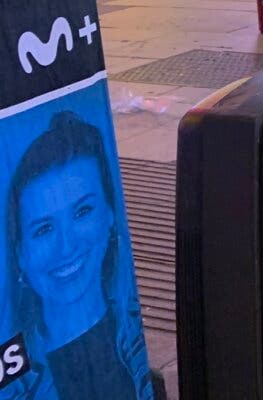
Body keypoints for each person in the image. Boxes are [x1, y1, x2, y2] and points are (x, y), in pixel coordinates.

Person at [4, 112, 152, 400]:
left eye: (83, 211)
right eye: (43, 229)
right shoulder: (14, 383)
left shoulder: (133, 332)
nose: (66, 246)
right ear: (20, 254)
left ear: (110, 214)